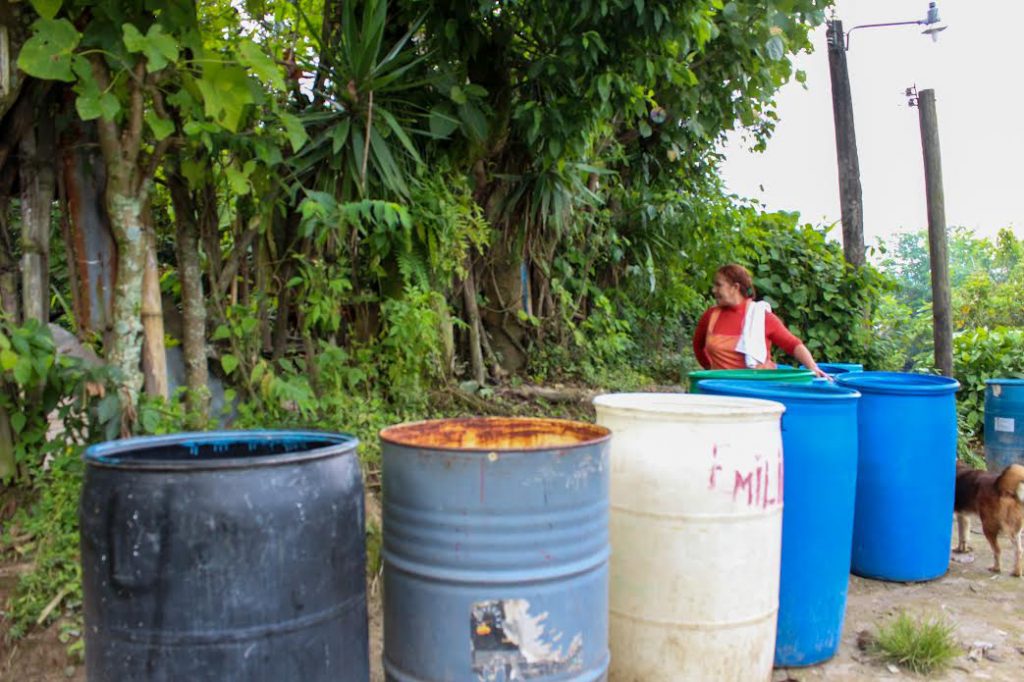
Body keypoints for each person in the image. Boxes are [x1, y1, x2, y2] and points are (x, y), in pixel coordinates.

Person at [692, 264, 828, 378]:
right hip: (721, 388)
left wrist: (813, 367)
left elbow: (793, 345)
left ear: (735, 287)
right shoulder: (711, 316)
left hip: (758, 388)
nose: (713, 290)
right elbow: (698, 346)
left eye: (718, 285)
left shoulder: (760, 317)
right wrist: (711, 371)